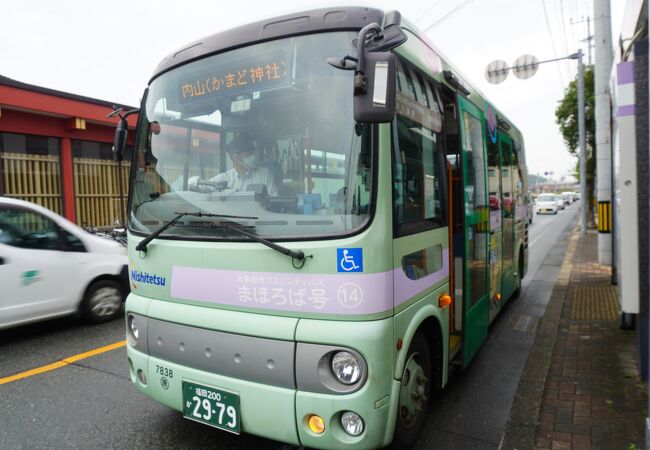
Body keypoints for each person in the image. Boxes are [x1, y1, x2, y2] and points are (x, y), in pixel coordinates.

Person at [189, 133, 278, 196]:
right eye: (249, 154)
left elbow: (273, 202)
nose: (253, 157)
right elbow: (201, 188)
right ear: (236, 157)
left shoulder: (265, 174)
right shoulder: (224, 179)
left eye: (253, 153)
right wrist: (195, 184)